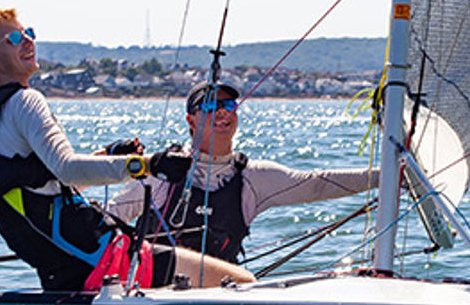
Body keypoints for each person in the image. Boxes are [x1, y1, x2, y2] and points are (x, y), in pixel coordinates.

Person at [0, 8, 255, 291]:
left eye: (28, 33)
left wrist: (110, 155)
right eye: (13, 39)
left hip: (63, 267)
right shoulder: (26, 100)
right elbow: (67, 168)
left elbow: (45, 182)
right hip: (104, 259)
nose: (28, 41)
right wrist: (149, 164)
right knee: (242, 282)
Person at [106, 81, 378, 264]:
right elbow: (111, 216)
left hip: (222, 294)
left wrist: (383, 177)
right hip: (156, 293)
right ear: (191, 120)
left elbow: (316, 184)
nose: (222, 113)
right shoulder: (161, 172)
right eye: (211, 106)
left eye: (228, 106)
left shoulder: (253, 178)